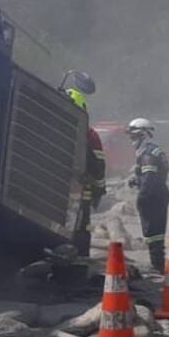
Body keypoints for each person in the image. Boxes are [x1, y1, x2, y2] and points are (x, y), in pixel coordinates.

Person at [66, 87, 106, 257]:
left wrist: (97, 188)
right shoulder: (88, 135)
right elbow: (99, 167)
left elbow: (98, 168)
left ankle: (78, 263)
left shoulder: (88, 135)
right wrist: (98, 189)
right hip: (76, 194)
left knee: (77, 230)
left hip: (74, 194)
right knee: (78, 231)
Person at [125, 117, 169, 272]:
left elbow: (150, 178)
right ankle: (158, 262)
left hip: (152, 195)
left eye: (134, 136)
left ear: (143, 135)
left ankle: (157, 264)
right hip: (158, 193)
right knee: (156, 231)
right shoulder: (152, 150)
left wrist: (142, 197)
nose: (132, 140)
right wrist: (136, 180)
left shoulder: (148, 153)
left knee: (153, 231)